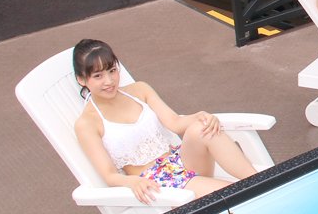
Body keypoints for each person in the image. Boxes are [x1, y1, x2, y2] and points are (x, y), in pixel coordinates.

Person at [72, 39, 257, 204]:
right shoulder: (87, 124)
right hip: (156, 182)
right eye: (98, 76)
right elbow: (109, 175)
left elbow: (175, 122)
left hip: (179, 160)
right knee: (237, 195)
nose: (109, 81)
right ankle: (259, 190)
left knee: (203, 126)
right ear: (81, 79)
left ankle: (259, 180)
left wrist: (201, 116)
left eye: (112, 71)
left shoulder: (139, 90)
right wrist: (132, 182)